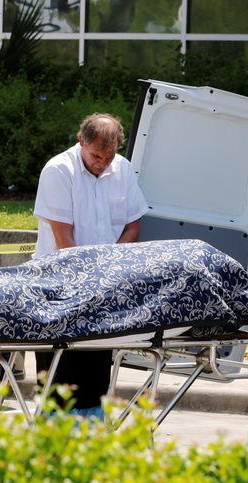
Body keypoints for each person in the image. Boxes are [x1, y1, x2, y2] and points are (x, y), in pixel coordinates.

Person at [33, 113, 149, 417]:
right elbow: (63, 236)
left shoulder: (123, 168)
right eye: (97, 155)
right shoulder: (58, 170)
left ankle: (92, 436)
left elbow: (133, 226)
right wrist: (90, 280)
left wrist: (109, 271)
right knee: (60, 369)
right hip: (59, 284)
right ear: (80, 141)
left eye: (110, 155)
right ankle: (53, 435)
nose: (103, 162)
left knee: (97, 367)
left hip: (104, 283)